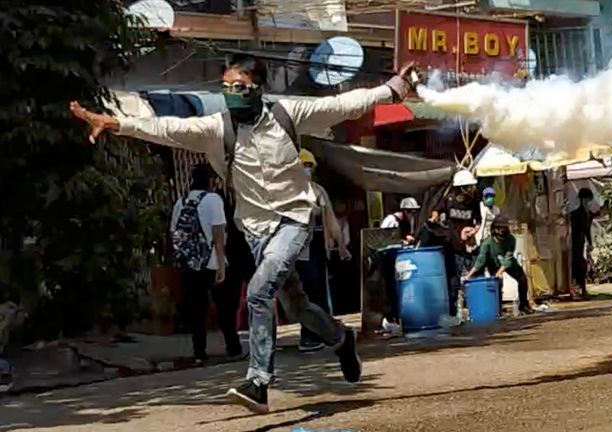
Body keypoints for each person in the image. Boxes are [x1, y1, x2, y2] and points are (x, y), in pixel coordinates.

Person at [70, 54, 420, 414]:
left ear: (257, 87)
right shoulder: (217, 129)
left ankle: (258, 381)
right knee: (296, 305)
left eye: (238, 88)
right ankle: (339, 338)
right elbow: (167, 128)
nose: (231, 95)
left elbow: (344, 104)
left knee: (258, 292)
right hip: (254, 229)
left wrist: (394, 88)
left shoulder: (288, 114)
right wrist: (115, 123)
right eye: (225, 88)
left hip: (293, 219)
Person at [170, 164, 239, 364]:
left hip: (190, 265)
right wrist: (222, 266)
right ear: (210, 180)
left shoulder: (180, 203)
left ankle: (199, 352)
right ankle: (233, 347)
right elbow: (218, 235)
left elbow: (174, 234)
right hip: (211, 263)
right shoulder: (213, 200)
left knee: (197, 309)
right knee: (224, 307)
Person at [296, 149, 352, 353]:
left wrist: (341, 246)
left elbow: (331, 222)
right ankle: (308, 335)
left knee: (319, 290)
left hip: (318, 247)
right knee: (306, 293)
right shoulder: (287, 192)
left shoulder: (318, 191)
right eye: (303, 165)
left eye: (309, 166)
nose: (306, 170)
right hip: (298, 249)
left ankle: (325, 333)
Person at [462, 217, 533, 315]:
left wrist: (500, 272)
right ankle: (497, 309)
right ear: (495, 229)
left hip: (508, 263)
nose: (503, 230)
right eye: (501, 228)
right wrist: (468, 276)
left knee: (523, 279)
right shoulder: (487, 243)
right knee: (497, 284)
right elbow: (480, 261)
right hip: (493, 263)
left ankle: (524, 305)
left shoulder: (511, 239)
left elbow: (508, 258)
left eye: (505, 227)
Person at [439, 169, 482, 276]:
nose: (472, 189)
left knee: (472, 275)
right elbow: (436, 211)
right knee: (453, 277)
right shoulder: (448, 200)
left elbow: (479, 221)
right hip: (451, 246)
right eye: (469, 187)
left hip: (468, 247)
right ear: (461, 188)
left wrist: (474, 231)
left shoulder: (474, 202)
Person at [570, 188, 596, 298]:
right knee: (578, 266)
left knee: (583, 266)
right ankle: (579, 290)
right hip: (574, 243)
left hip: (581, 242)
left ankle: (583, 289)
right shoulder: (575, 214)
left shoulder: (588, 214)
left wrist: (590, 243)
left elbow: (587, 230)